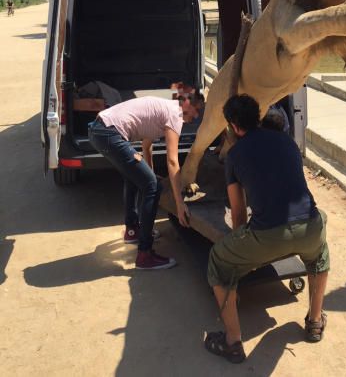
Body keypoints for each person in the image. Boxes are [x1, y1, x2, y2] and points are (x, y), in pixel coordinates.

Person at [204, 94, 330, 364]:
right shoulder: (286, 140)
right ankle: (315, 322)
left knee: (217, 260)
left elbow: (238, 212)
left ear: (234, 126)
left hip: (268, 236)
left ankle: (233, 341)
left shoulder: (235, 155)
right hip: (310, 225)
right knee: (319, 254)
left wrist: (242, 251)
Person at [89, 93, 204, 270]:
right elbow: (173, 161)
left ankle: (132, 230)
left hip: (100, 130)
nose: (196, 116)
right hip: (108, 133)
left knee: (135, 178)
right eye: (196, 111)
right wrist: (179, 204)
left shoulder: (163, 109)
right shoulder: (175, 115)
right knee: (153, 186)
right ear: (186, 104)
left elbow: (146, 145)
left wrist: (147, 173)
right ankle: (145, 254)